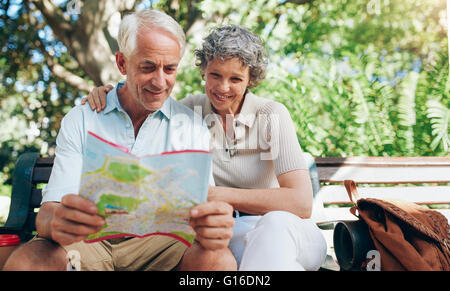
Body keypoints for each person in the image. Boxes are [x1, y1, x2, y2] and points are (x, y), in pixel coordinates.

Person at [3, 9, 237, 271]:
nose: (160, 81)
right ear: (122, 63)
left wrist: (215, 224)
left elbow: (204, 213)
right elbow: (48, 213)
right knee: (29, 263)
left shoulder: (192, 127)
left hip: (161, 245)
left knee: (219, 260)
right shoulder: (82, 119)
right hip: (88, 242)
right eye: (148, 67)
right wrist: (58, 220)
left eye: (169, 69)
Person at [83, 25, 327, 271]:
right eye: (215, 75)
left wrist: (214, 194)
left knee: (273, 226)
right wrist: (109, 94)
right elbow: (140, 103)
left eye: (235, 79)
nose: (222, 88)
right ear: (203, 71)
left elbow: (301, 202)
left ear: (250, 79)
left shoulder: (270, 115)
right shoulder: (187, 112)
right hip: (236, 235)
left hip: (291, 233)